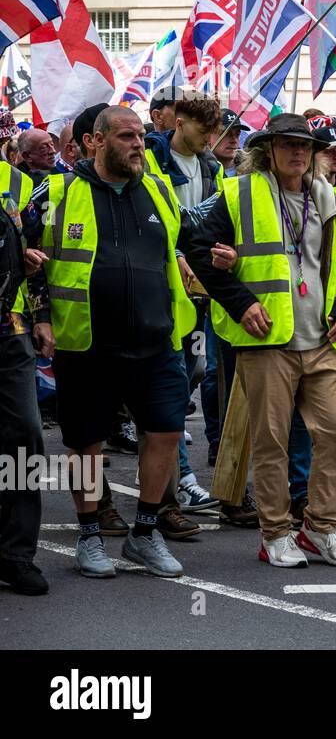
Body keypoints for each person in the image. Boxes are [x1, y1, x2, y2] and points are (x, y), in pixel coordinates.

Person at [25, 106, 197, 579]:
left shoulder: (160, 190)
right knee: (86, 443)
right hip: (86, 343)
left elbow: (182, 239)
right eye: (126, 136)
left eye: (141, 136)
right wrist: (40, 316)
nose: (138, 144)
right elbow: (25, 257)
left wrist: (198, 256)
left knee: (164, 431)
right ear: (94, 143)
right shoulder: (56, 192)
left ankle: (144, 533)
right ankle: (89, 535)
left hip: (157, 338)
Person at [188, 114, 336, 568]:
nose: (297, 153)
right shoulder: (237, 193)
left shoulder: (329, 196)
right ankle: (275, 533)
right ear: (268, 149)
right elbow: (196, 247)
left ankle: (320, 529)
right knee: (272, 442)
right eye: (287, 145)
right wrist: (241, 301)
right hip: (268, 340)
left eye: (304, 146)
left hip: (322, 337)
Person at [0, 174, 49, 594]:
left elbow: (28, 242)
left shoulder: (15, 181)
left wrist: (24, 258)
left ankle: (17, 554)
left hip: (8, 328)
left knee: (26, 434)